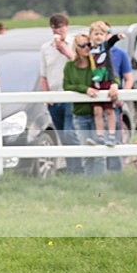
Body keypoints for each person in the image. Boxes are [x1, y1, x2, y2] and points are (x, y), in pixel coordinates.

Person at [64, 33, 119, 177]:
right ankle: (89, 181)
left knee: (99, 152)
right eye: (83, 45)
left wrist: (114, 85)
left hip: (97, 114)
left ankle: (100, 182)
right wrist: (85, 89)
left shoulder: (96, 61)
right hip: (80, 114)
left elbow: (112, 76)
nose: (87, 48)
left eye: (89, 44)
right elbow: (67, 85)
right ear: (77, 48)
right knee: (86, 152)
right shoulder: (70, 66)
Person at [39, 13, 81, 174]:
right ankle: (72, 169)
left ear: (67, 27)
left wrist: (64, 50)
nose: (58, 30)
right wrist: (46, 95)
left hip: (71, 94)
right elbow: (43, 75)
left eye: (61, 27)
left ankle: (81, 167)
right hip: (54, 98)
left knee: (70, 133)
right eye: (55, 27)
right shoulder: (45, 48)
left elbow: (79, 63)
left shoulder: (74, 43)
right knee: (63, 135)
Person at [86, 20, 123, 147]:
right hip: (95, 82)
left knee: (109, 110)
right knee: (97, 110)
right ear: (90, 35)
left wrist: (118, 37)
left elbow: (111, 41)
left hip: (106, 81)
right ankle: (100, 136)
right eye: (96, 34)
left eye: (101, 34)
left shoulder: (105, 47)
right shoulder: (89, 49)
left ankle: (112, 135)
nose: (98, 37)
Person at [105, 22, 133, 172]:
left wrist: (123, 95)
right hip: (97, 103)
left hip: (115, 103)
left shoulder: (120, 54)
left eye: (106, 32)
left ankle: (116, 172)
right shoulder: (93, 52)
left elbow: (128, 78)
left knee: (116, 136)